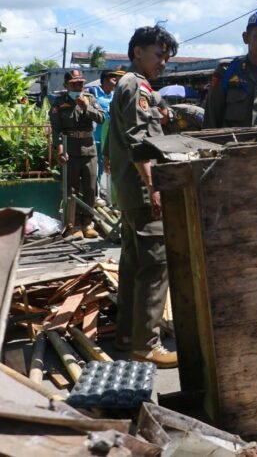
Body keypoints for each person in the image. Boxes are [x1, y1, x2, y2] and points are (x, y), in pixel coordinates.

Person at [108, 25, 179, 369]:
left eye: (166, 56)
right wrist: (154, 189)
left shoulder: (129, 85)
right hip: (141, 188)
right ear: (137, 51)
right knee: (155, 265)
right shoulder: (136, 86)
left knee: (133, 264)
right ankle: (146, 344)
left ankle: (126, 335)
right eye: (158, 54)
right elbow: (140, 142)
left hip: (129, 188)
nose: (163, 61)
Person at [49, 69, 105, 238]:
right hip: (70, 149)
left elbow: (101, 118)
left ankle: (87, 223)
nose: (78, 87)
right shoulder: (59, 103)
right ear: (66, 85)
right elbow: (56, 130)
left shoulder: (90, 99)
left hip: (89, 148)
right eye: (74, 84)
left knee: (90, 187)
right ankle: (73, 224)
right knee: (71, 188)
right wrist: (59, 150)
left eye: (80, 83)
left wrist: (86, 107)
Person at [86, 68, 122, 183]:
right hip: (94, 136)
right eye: (114, 79)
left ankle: (100, 190)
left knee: (103, 162)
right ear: (105, 80)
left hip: (108, 136)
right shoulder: (92, 92)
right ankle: (94, 191)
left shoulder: (115, 95)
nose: (116, 82)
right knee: (93, 163)